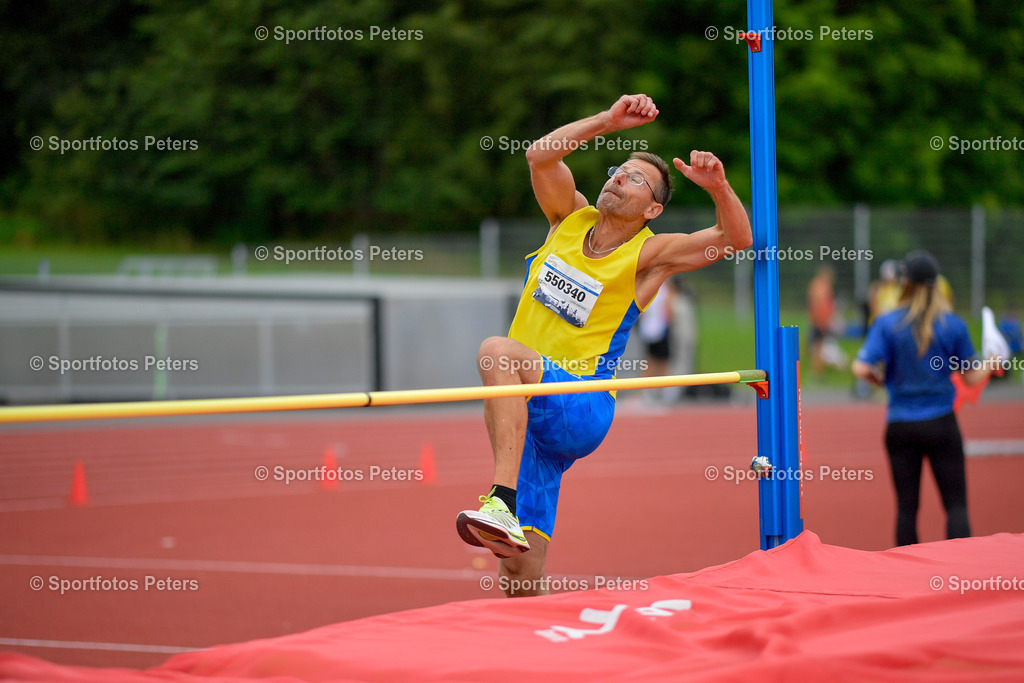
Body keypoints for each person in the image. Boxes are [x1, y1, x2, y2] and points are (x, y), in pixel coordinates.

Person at [455, 94, 752, 596]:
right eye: (618, 170)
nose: (618, 178)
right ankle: (534, 634)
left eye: (635, 179)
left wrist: (719, 187)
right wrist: (607, 121)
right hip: (531, 412)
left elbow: (735, 239)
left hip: (580, 402)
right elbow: (539, 156)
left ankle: (500, 498)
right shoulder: (566, 218)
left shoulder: (649, 255)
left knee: (496, 350)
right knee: (519, 572)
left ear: (653, 208)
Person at [852, 250, 997, 547]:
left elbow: (860, 367)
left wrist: (879, 380)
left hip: (900, 425)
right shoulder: (953, 325)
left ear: (903, 283)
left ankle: (908, 572)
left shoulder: (887, 323)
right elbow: (971, 377)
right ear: (936, 284)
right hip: (942, 423)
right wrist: (992, 362)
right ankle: (961, 570)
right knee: (955, 505)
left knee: (906, 508)